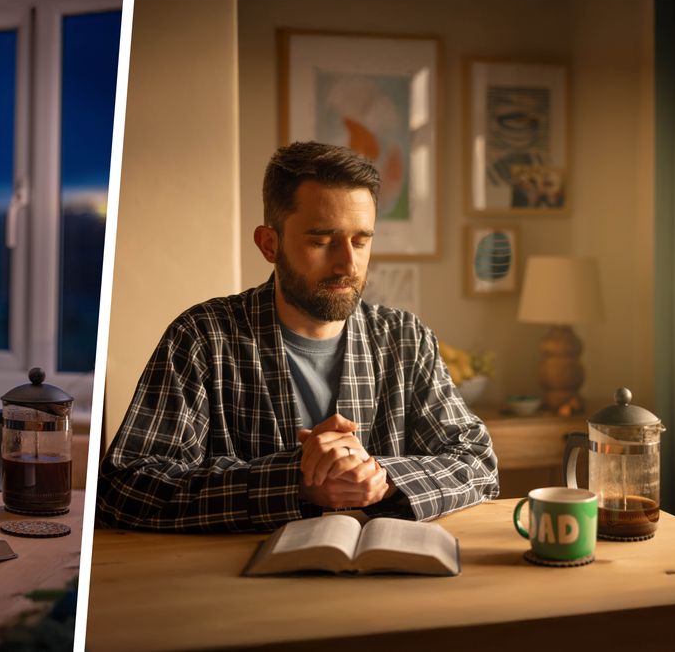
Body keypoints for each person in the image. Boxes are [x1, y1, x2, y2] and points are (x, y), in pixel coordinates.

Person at [98, 141, 498, 532]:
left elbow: (477, 462)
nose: (347, 263)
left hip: (384, 583)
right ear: (269, 244)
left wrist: (381, 476)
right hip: (236, 586)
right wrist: (296, 483)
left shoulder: (406, 339)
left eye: (361, 240)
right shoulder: (204, 338)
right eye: (321, 240)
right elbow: (128, 485)